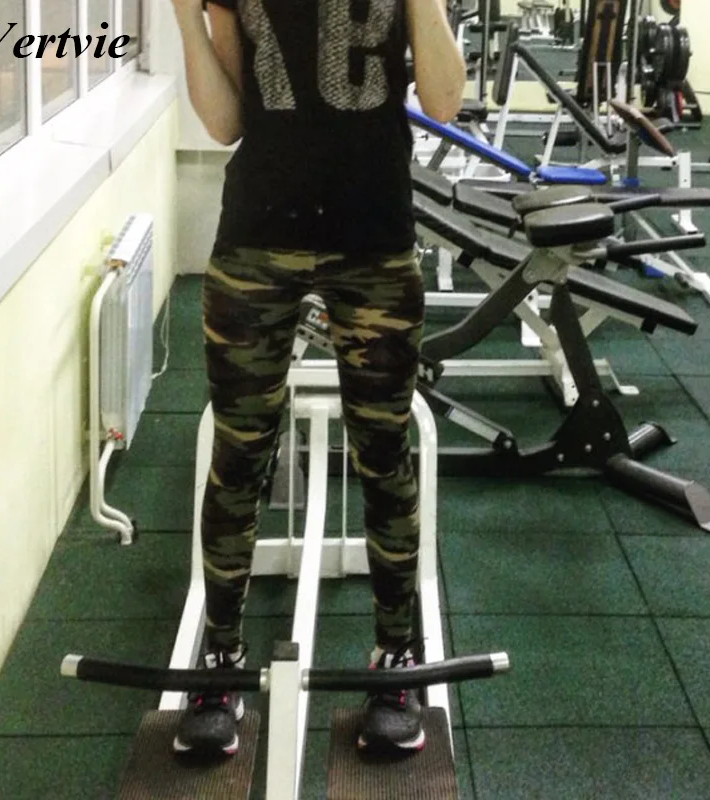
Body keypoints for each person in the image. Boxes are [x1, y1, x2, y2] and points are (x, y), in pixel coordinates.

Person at [169, 0, 465, 758]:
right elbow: (225, 123)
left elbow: (443, 101)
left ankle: (395, 657)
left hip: (372, 240)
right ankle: (221, 660)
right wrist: (184, 16)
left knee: (384, 454)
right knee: (239, 454)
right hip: (258, 236)